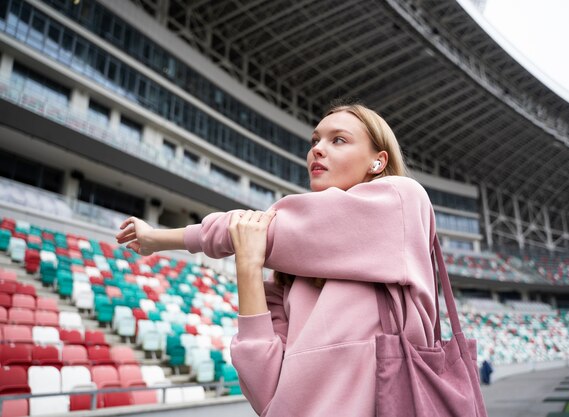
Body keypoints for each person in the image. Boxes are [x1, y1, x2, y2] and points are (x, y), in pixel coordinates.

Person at [116, 103, 438, 416]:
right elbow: (266, 393)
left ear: (378, 162)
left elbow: (262, 228)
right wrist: (248, 268)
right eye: (315, 141)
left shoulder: (402, 199)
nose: (317, 150)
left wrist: (157, 239)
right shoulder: (292, 274)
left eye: (337, 139)